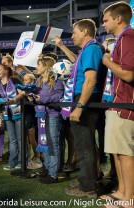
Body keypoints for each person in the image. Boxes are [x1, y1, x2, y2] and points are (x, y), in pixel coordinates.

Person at [53, 19, 106, 197]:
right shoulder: (88, 49)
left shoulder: (91, 49)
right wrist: (61, 46)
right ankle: (90, 179)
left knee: (84, 146)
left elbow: (90, 80)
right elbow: (76, 62)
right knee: (86, 144)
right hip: (84, 99)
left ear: (85, 32)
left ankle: (87, 187)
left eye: (74, 32)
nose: (72, 35)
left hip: (85, 100)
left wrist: (80, 106)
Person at [100, 2, 134, 205]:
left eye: (106, 20)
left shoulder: (129, 36)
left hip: (125, 104)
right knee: (118, 152)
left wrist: (107, 60)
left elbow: (129, 74)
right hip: (116, 102)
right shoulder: (123, 38)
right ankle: (122, 192)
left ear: (118, 18)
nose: (103, 24)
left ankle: (129, 197)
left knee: (125, 152)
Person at [32, 56, 64, 183]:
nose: (37, 68)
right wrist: (32, 97)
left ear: (46, 66)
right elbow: (37, 96)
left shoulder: (57, 81)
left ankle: (53, 174)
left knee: (53, 144)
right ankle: (48, 169)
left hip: (52, 116)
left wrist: (42, 99)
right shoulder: (39, 81)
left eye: (39, 65)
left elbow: (59, 97)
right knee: (45, 143)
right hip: (41, 115)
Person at [0, 64, 25, 170]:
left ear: (6, 71)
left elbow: (23, 93)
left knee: (21, 139)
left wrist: (14, 100)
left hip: (18, 113)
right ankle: (12, 162)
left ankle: (22, 162)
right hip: (7, 115)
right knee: (12, 140)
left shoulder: (15, 81)